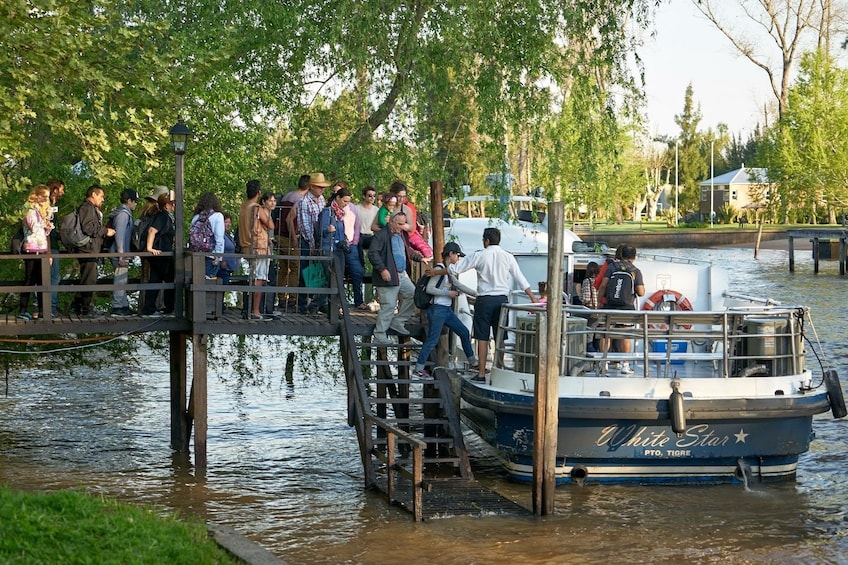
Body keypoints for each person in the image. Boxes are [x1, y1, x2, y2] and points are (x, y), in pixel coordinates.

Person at [448, 227, 538, 381]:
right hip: (502, 300)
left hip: (484, 300)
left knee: (482, 337)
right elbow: (520, 278)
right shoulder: (508, 257)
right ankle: (499, 370)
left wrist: (447, 264)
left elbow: (456, 269)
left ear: (486, 240)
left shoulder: (479, 255)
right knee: (500, 336)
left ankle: (482, 373)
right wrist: (532, 298)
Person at [413, 242, 478, 378]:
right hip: (437, 309)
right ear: (451, 254)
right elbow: (431, 288)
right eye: (457, 255)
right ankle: (418, 369)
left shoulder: (448, 271)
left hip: (446, 310)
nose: (458, 259)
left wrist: (477, 294)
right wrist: (447, 293)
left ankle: (473, 362)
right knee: (432, 340)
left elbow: (458, 285)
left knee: (464, 332)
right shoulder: (439, 269)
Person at [368, 211, 419, 342]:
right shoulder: (381, 235)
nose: (401, 226)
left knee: (413, 294)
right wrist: (382, 269)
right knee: (389, 305)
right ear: (391, 221)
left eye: (403, 224)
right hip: (389, 274)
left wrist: (419, 257)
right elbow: (373, 253)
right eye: (399, 223)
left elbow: (406, 250)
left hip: (401, 274)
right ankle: (379, 335)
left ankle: (398, 321)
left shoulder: (401, 235)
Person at [597, 245, 645, 374]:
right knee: (625, 336)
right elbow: (641, 292)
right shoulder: (635, 270)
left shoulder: (612, 267)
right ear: (634, 257)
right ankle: (625, 364)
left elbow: (603, 286)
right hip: (627, 307)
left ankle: (604, 363)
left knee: (606, 333)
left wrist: (599, 303)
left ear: (621, 255)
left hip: (610, 305)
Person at [317, 187, 365, 309]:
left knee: (338, 280)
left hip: (339, 250)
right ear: (337, 198)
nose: (346, 204)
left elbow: (341, 232)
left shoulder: (340, 214)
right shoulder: (327, 212)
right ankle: (317, 304)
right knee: (330, 279)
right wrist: (327, 230)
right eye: (344, 201)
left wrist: (345, 240)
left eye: (348, 202)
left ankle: (333, 308)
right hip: (328, 249)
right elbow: (319, 233)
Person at [72, 185, 116, 317]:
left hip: (90, 249)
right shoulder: (87, 208)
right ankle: (85, 309)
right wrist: (105, 231)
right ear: (93, 195)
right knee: (89, 279)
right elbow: (88, 228)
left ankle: (77, 306)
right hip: (87, 249)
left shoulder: (90, 208)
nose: (103, 199)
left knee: (88, 277)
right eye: (101, 196)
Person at [296, 172, 331, 313]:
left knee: (320, 272)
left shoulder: (322, 199)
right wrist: (311, 244)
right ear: (311, 187)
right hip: (308, 240)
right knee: (305, 271)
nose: (321, 189)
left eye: (322, 187)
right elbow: (305, 225)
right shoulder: (304, 202)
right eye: (318, 187)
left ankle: (319, 301)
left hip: (320, 239)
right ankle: (302, 303)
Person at [17, 185, 54, 320]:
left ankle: (43, 311)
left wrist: (48, 225)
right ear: (36, 196)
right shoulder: (29, 210)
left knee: (42, 281)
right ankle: (23, 310)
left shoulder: (42, 211)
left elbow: (44, 232)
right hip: (31, 248)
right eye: (43, 196)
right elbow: (33, 227)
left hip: (42, 248)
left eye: (47, 197)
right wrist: (44, 222)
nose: (45, 199)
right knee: (29, 280)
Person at [274, 174, 309, 310]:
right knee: (295, 267)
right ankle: (293, 299)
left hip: (278, 234)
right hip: (288, 236)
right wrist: (294, 238)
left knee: (283, 267)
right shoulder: (300, 199)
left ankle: (281, 297)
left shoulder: (287, 196)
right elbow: (290, 220)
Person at [140, 191, 176, 317]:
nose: (174, 206)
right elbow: (152, 230)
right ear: (166, 205)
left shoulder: (164, 216)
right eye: (173, 204)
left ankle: (149, 308)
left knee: (155, 280)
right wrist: (149, 248)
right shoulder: (163, 216)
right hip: (161, 254)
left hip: (161, 254)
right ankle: (169, 308)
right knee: (170, 279)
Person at [108, 189, 139, 316]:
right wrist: (121, 254)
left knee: (123, 278)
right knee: (120, 278)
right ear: (129, 201)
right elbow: (119, 235)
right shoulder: (123, 214)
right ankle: (117, 306)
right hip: (119, 252)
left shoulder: (122, 213)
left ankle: (124, 305)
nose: (136, 204)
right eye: (135, 201)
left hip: (120, 251)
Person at [190, 192, 225, 280]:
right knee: (208, 285)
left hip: (196, 256)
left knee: (197, 283)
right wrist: (218, 257)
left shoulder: (196, 217)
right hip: (211, 256)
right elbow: (219, 238)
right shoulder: (218, 216)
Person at [46, 178, 64, 317]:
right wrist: (49, 251)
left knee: (52, 276)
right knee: (53, 276)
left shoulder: (52, 205)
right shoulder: (46, 206)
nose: (62, 193)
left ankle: (47, 305)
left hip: (51, 245)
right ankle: (49, 306)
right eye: (61, 190)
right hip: (48, 247)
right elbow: (45, 230)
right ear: (55, 190)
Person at [217, 213, 238, 311]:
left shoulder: (228, 235)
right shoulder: (220, 235)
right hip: (222, 265)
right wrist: (222, 260)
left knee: (224, 286)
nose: (228, 224)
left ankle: (220, 305)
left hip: (228, 266)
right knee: (221, 285)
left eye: (229, 222)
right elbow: (219, 247)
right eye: (226, 222)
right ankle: (218, 306)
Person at [581, 261, 601, 352]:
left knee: (588, 338)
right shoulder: (601, 282)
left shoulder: (587, 281)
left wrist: (579, 294)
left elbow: (586, 298)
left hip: (590, 312)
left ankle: (591, 357)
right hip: (600, 312)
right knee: (597, 338)